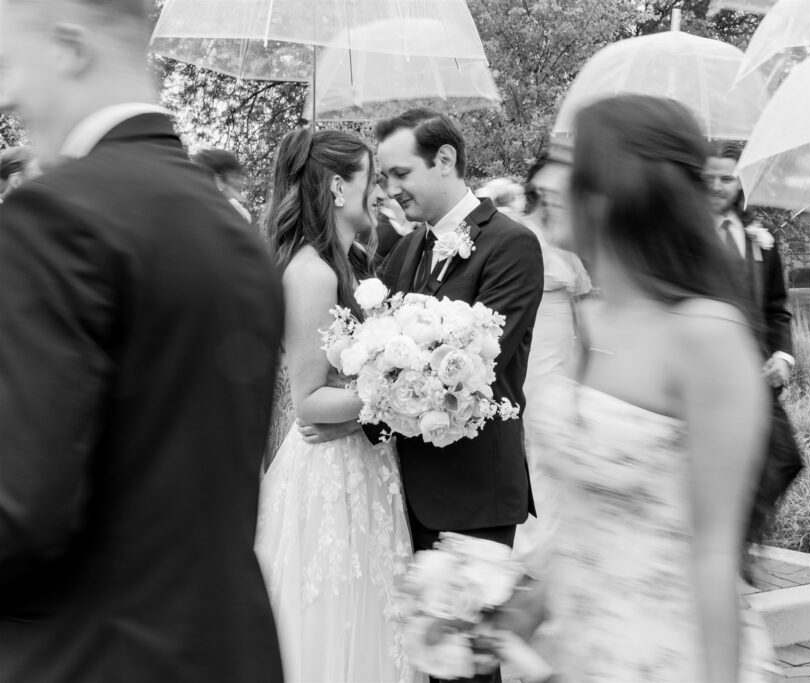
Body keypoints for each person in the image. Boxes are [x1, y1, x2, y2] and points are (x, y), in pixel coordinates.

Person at [0, 1, 284, 681]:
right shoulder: (231, 227)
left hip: (86, 654)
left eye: (9, 64)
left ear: (71, 46)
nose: (7, 95)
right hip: (223, 651)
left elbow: (21, 517)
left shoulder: (54, 215)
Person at [500, 94, 776, 682]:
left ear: (623, 186)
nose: (545, 180)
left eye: (568, 162)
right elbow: (586, 513)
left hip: (666, 655)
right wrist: (526, 606)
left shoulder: (706, 334)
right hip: (577, 650)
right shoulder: (591, 317)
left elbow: (713, 552)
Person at [302, 109, 544, 683]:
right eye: (382, 178)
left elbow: (471, 372)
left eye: (399, 173)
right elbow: (382, 359)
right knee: (422, 659)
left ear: (445, 160)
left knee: (466, 667)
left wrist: (351, 417)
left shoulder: (511, 246)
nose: (390, 190)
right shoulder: (404, 254)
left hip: (472, 492)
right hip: (401, 489)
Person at [255, 128, 416, 683]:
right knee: (334, 628)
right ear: (336, 188)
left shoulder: (351, 265)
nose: (379, 192)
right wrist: (403, 396)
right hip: (329, 480)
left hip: (363, 466)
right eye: (371, 178)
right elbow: (309, 402)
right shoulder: (312, 273)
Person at [476, 174, 592, 560]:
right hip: (531, 351)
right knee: (532, 439)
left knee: (556, 442)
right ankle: (529, 547)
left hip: (561, 358)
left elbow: (582, 308)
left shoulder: (565, 244)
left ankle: (556, 543)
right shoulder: (519, 236)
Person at [704, 140, 803, 545]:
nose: (715, 186)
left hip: (758, 379)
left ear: (741, 183)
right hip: (707, 379)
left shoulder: (760, 239)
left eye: (725, 178)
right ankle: (718, 548)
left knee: (785, 459)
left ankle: (733, 538)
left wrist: (782, 355)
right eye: (706, 178)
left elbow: (777, 308)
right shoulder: (685, 239)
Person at [193, 147, 252, 222]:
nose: (240, 183)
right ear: (217, 179)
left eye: (239, 176)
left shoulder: (239, 212)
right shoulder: (195, 212)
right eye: (234, 177)